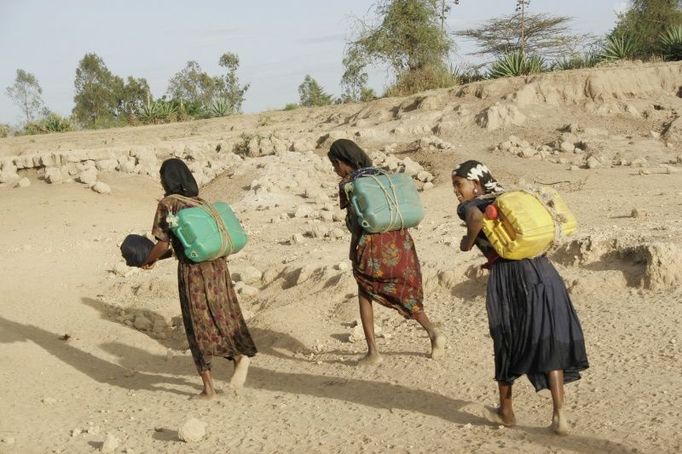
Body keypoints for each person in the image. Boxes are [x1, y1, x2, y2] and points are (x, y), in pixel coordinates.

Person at [451, 160, 589, 435]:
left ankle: (506, 411)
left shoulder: (470, 206)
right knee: (548, 337)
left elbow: (476, 220)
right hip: (543, 271)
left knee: (506, 338)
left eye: (459, 184)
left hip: (509, 277)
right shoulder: (508, 198)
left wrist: (467, 244)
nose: (456, 191)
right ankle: (560, 415)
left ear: (475, 184)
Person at [142, 158, 257, 399]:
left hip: (193, 272)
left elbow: (163, 243)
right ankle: (238, 355)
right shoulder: (199, 202)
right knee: (223, 313)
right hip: (217, 267)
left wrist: (148, 259)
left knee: (196, 323)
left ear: (167, 179)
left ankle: (209, 388)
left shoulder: (169, 204)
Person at [328, 139, 444, 366]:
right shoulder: (381, 175)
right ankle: (433, 333)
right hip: (401, 241)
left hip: (372, 246)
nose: (334, 170)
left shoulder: (349, 183)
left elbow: (355, 223)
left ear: (342, 162)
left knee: (364, 290)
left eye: (334, 165)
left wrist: (355, 250)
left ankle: (373, 352)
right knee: (405, 293)